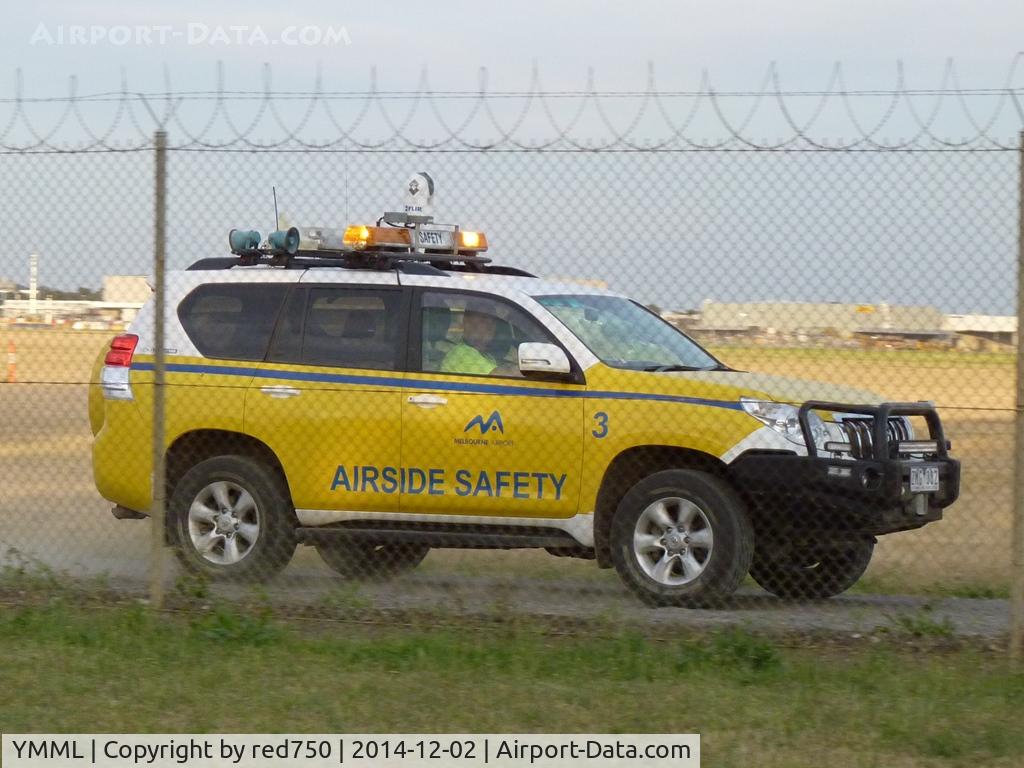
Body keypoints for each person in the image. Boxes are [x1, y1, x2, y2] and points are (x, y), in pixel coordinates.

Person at [440, 308, 499, 375]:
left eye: (493, 320)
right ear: (468, 324)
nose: (490, 325)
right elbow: (498, 377)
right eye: (483, 319)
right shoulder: (461, 354)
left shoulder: (488, 356)